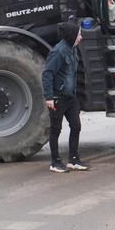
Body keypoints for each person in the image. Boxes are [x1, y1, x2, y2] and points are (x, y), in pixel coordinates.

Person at [42, 21, 89, 173]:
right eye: (79, 34)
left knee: (76, 127)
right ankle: (55, 162)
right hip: (58, 98)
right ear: (71, 36)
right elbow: (47, 74)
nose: (81, 37)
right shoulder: (58, 52)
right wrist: (49, 97)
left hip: (71, 97)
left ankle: (73, 159)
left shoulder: (73, 49)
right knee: (56, 130)